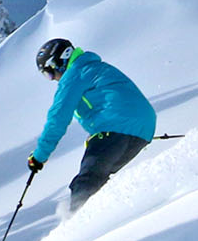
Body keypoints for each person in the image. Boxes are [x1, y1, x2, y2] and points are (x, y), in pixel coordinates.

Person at [28, 38, 156, 214]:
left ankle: (76, 229)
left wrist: (39, 157)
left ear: (60, 61)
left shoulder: (74, 75)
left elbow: (57, 118)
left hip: (116, 128)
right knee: (99, 181)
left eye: (49, 73)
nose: (52, 79)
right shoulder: (96, 68)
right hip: (143, 130)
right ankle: (106, 221)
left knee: (86, 183)